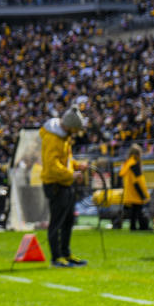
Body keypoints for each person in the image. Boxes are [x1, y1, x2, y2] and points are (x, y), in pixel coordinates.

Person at [40, 107, 87, 268]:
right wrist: (71, 174)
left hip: (65, 183)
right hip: (55, 184)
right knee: (57, 221)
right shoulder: (53, 139)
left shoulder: (64, 138)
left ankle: (66, 253)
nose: (76, 133)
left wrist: (77, 166)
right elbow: (52, 166)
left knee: (68, 220)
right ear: (70, 126)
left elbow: (66, 160)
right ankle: (56, 257)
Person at [119, 144, 150, 231]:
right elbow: (138, 181)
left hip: (129, 192)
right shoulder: (134, 165)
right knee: (139, 210)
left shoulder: (127, 163)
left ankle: (133, 227)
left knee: (133, 211)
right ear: (137, 154)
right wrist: (143, 194)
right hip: (135, 192)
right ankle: (142, 227)